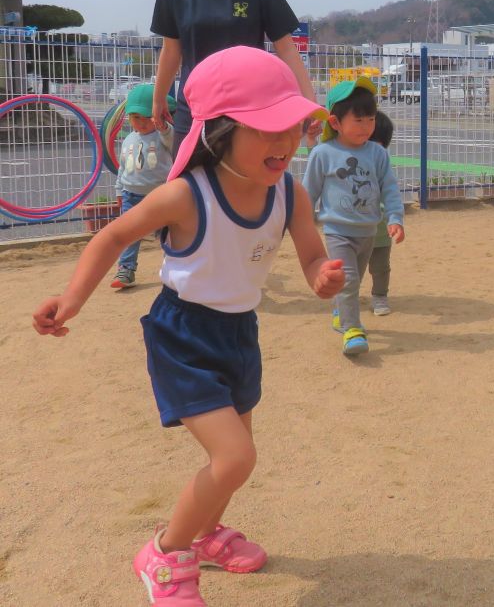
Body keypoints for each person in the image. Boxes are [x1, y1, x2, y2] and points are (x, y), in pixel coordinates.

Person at [32, 46, 345, 606]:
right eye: (266, 129)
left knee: (234, 458)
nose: (285, 142)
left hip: (238, 334)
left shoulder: (290, 194)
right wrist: (73, 298)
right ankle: (164, 555)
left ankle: (203, 537)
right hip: (183, 336)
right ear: (221, 132)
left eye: (292, 127)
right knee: (235, 458)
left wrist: (321, 274)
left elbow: (309, 256)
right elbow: (112, 236)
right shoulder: (185, 194)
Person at [150, 0, 320, 156]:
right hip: (195, 111)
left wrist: (308, 101)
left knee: (246, 190)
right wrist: (159, 97)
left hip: (249, 112)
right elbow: (172, 50)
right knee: (190, 189)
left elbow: (285, 47)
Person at [303, 79, 404, 356]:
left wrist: (395, 217)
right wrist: (301, 223)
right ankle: (352, 330)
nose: (367, 127)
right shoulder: (324, 153)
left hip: (368, 231)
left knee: (353, 281)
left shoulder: (378, 153)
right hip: (337, 230)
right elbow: (308, 191)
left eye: (370, 119)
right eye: (358, 120)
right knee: (347, 279)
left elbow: (389, 188)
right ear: (335, 122)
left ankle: (340, 311)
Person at [110, 84, 176, 289]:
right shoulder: (129, 139)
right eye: (135, 117)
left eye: (147, 117)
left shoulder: (162, 136)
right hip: (132, 194)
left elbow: (172, 139)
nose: (141, 122)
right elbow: (123, 168)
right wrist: (119, 189)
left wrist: (164, 126)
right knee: (130, 233)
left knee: (169, 235)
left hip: (160, 196)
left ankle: (176, 268)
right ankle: (126, 270)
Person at [368, 111, 396, 316]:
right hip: (352, 228)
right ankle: (345, 299)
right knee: (349, 269)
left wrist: (395, 218)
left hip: (380, 227)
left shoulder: (384, 163)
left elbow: (391, 192)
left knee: (381, 266)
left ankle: (379, 296)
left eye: (381, 146)